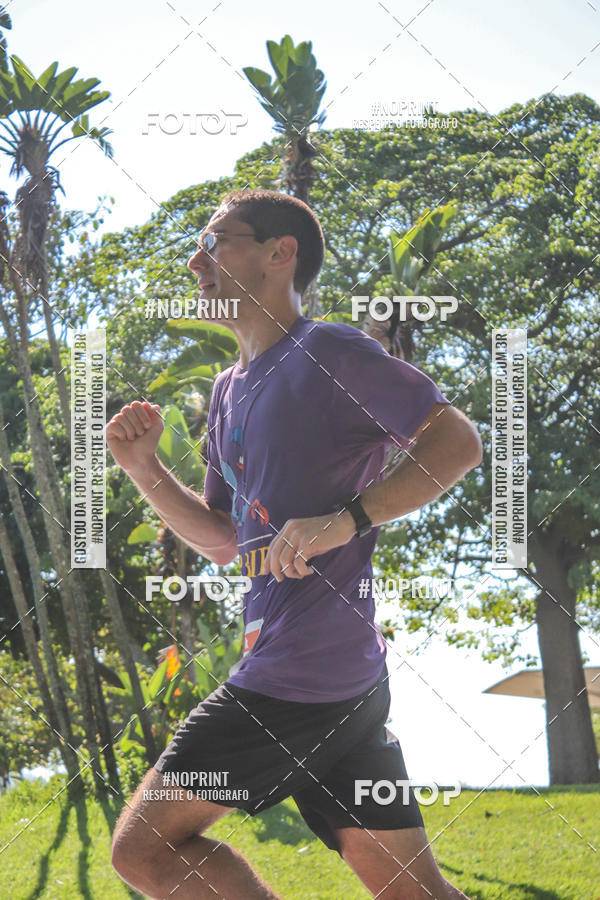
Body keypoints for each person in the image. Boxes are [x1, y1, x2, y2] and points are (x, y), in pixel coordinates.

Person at [108, 189, 481, 899]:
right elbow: (224, 540)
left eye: (218, 241)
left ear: (281, 254)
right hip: (345, 686)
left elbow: (457, 442)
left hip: (297, 680)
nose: (196, 260)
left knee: (146, 851)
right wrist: (144, 470)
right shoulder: (228, 390)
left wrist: (344, 519)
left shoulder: (330, 350)